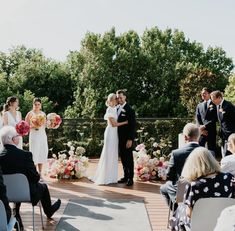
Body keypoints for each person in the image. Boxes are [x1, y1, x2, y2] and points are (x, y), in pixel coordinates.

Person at [0, 126, 61, 230]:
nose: (18, 138)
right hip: (27, 194)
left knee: (17, 184)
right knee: (43, 186)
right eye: (17, 136)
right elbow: (35, 177)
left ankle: (16, 213)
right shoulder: (25, 155)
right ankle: (49, 211)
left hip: (5, 195)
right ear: (12, 139)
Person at [169, 147, 234, 231]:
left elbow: (190, 214)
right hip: (224, 219)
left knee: (178, 211)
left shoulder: (193, 185)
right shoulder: (228, 178)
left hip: (199, 223)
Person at [160, 123, 200, 209]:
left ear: (185, 137)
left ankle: (177, 212)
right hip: (202, 190)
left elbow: (169, 176)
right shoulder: (208, 153)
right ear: (198, 136)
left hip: (183, 191)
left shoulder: (176, 153)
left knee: (164, 188)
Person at [92, 93, 128, 185]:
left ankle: (111, 176)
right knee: (109, 153)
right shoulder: (109, 110)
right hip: (111, 133)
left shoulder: (114, 109)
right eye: (116, 99)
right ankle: (106, 176)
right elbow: (114, 124)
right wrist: (125, 122)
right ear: (111, 100)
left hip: (114, 134)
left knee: (113, 154)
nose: (117, 100)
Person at [116, 90, 136, 186]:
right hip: (118, 138)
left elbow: (132, 126)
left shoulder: (129, 109)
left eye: (121, 97)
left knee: (128, 158)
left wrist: (130, 139)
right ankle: (125, 176)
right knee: (123, 158)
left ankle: (130, 178)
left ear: (125, 97)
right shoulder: (116, 108)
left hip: (126, 139)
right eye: (118, 97)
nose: (119, 99)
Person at [25, 98, 48, 176]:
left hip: (42, 135)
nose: (37, 106)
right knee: (34, 153)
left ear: (41, 105)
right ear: (33, 105)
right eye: (35, 104)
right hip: (34, 135)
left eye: (38, 104)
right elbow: (25, 127)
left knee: (42, 152)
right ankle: (34, 174)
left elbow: (45, 125)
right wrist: (34, 126)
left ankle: (40, 173)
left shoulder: (43, 114)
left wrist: (52, 124)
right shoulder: (30, 114)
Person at [210, 90, 235, 156]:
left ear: (219, 98)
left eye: (213, 99)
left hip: (231, 134)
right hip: (223, 135)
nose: (212, 101)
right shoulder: (217, 106)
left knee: (230, 152)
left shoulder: (228, 105)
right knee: (225, 152)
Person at [196, 87, 217, 154]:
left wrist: (205, 126)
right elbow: (197, 117)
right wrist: (201, 128)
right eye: (202, 94)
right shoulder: (199, 105)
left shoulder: (214, 104)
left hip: (211, 131)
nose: (203, 95)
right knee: (199, 148)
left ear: (209, 94)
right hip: (202, 132)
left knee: (211, 149)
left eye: (204, 93)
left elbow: (215, 118)